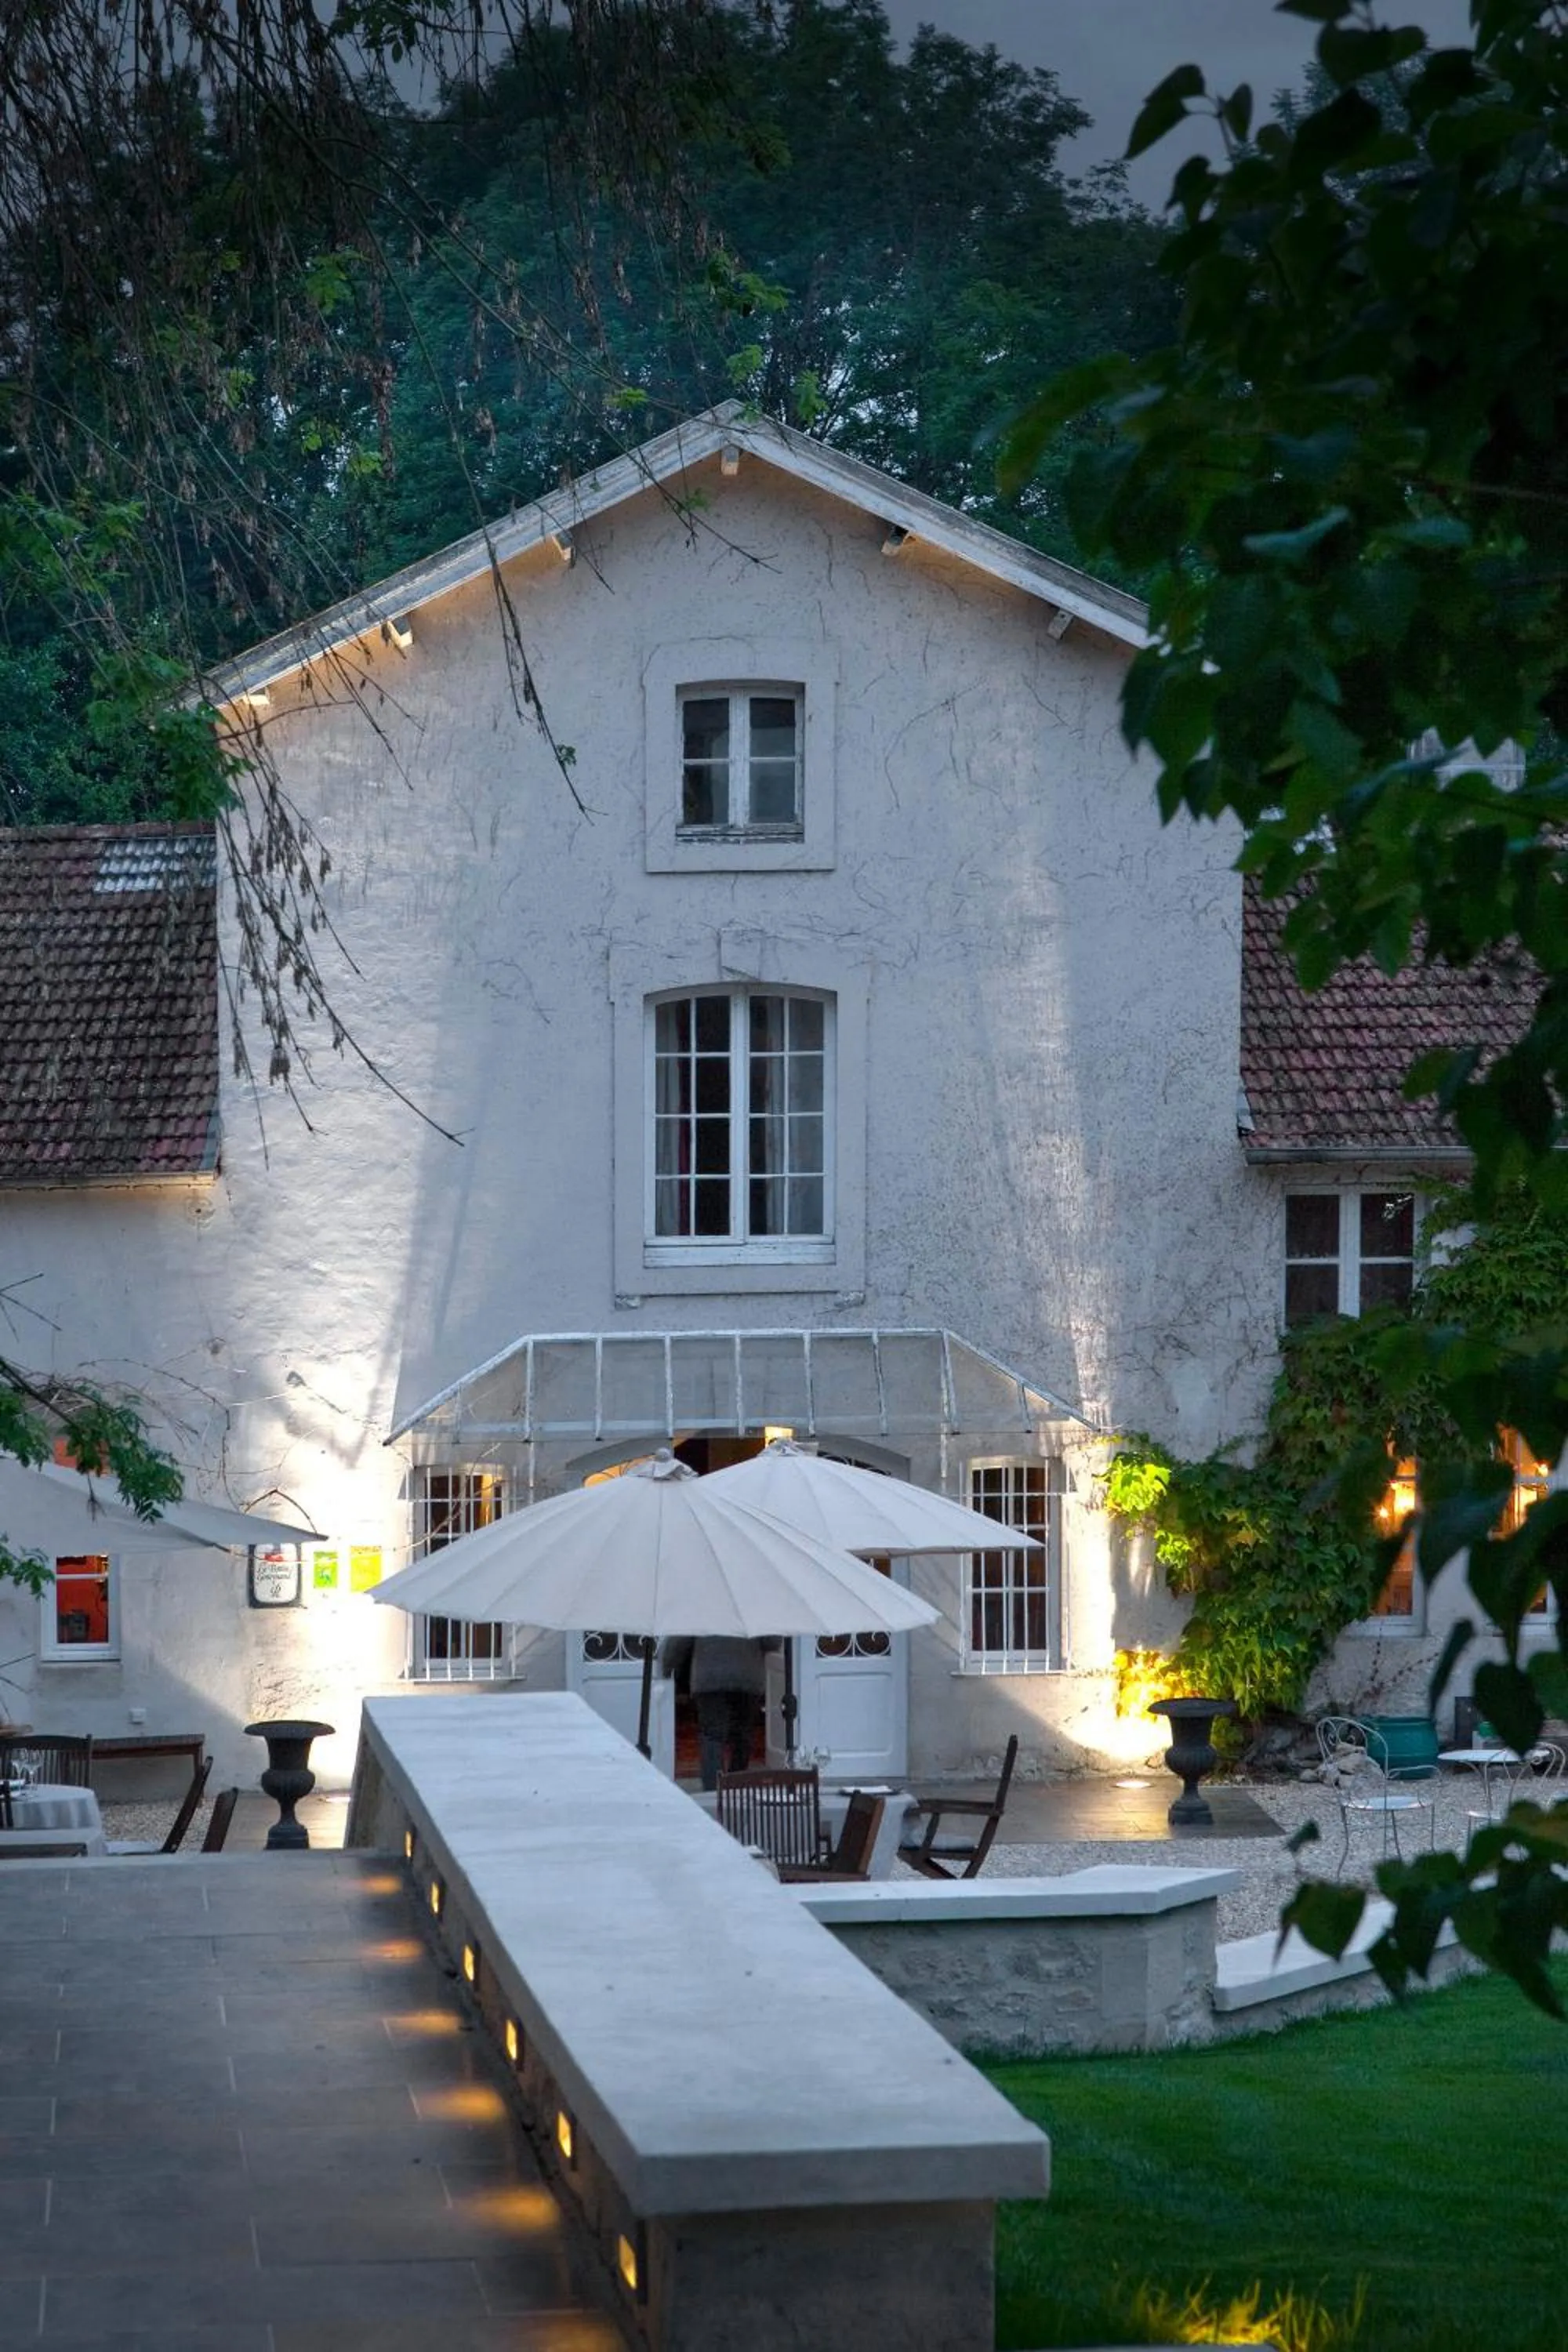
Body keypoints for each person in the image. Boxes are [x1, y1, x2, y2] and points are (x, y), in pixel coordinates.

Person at [662, 1635, 774, 1791]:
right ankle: (737, 1786)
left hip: (709, 1678)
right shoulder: (753, 1610)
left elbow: (680, 1640)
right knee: (743, 1735)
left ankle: (713, 1792)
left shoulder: (699, 1610)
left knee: (712, 1736)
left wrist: (668, 1668)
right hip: (747, 1677)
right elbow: (772, 1641)